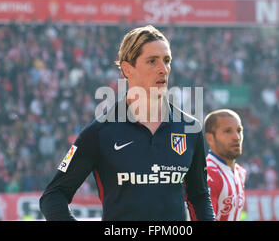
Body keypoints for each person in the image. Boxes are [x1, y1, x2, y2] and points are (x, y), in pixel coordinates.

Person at [39, 25, 215, 221]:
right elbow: (53, 195)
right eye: (152, 61)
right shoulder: (99, 132)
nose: (163, 69)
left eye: (167, 61)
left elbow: (199, 196)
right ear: (127, 70)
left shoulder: (190, 129)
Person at [204, 109, 247, 221]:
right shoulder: (208, 174)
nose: (237, 137)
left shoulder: (241, 173)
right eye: (228, 131)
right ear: (210, 138)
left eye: (239, 130)